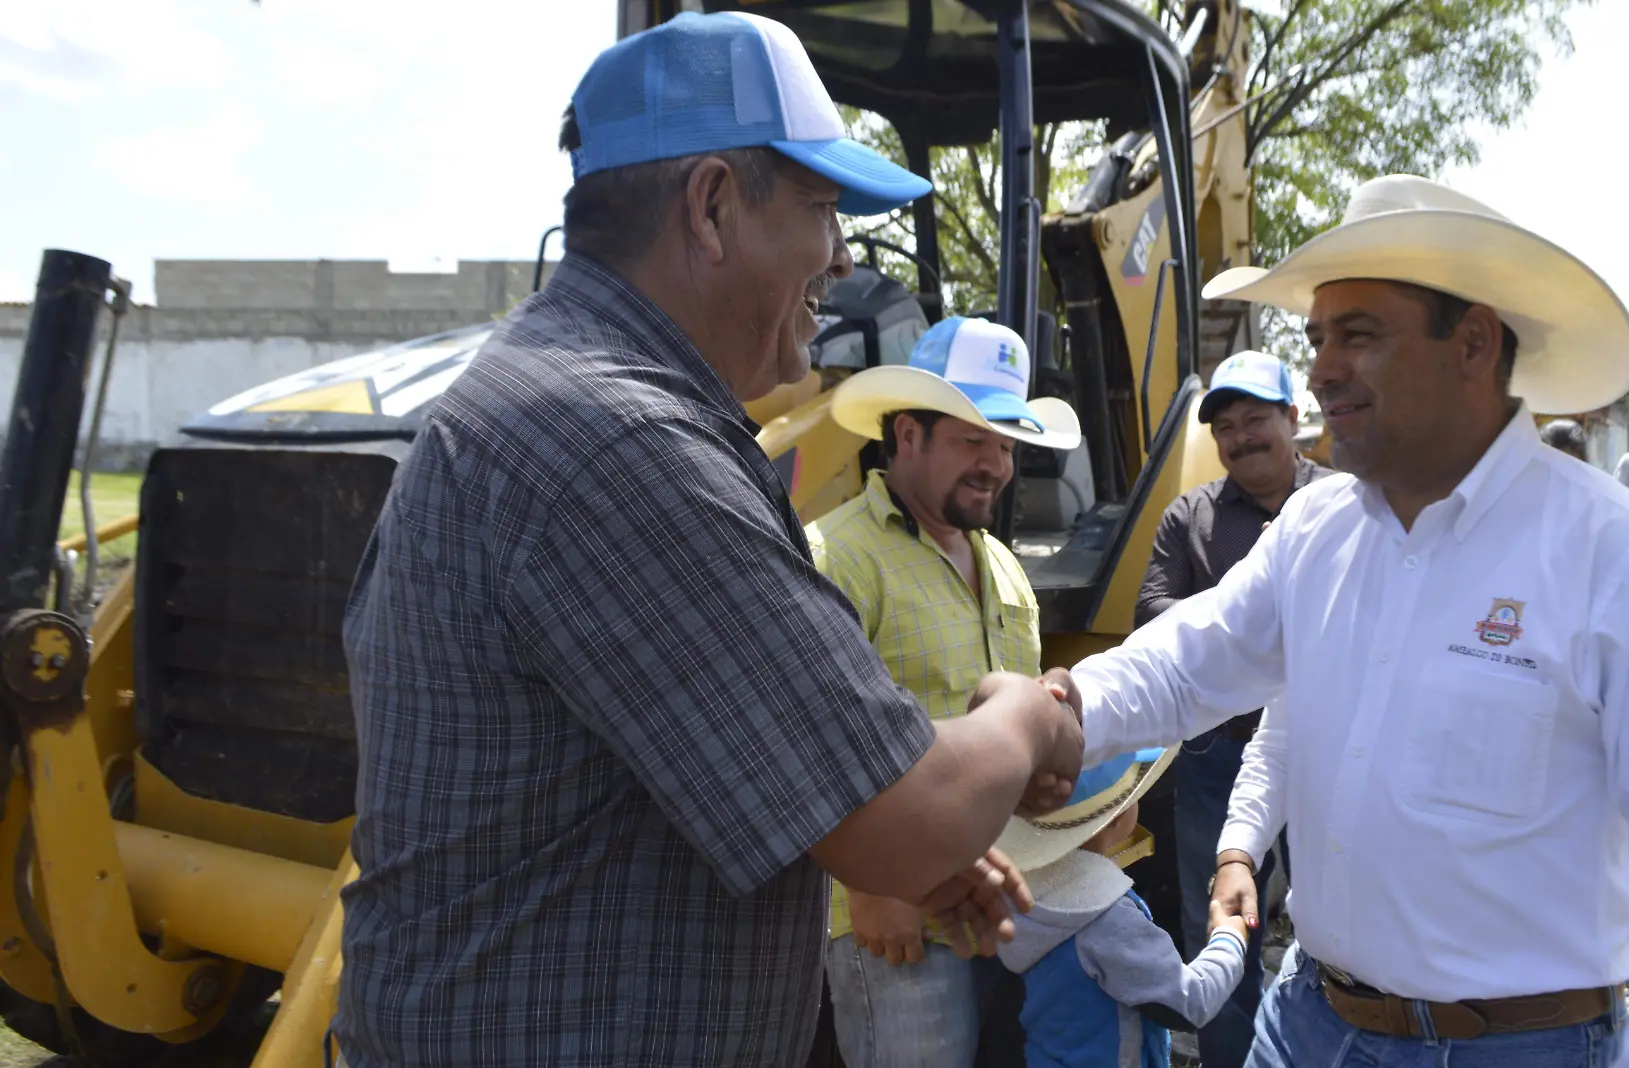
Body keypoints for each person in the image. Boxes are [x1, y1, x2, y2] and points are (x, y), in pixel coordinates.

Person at [335, 15, 1085, 1068]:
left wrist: (879, 839)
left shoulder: (560, 399)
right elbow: (908, 817)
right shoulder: (619, 443)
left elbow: (680, 758)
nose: (836, 258)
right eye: (822, 210)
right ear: (714, 205)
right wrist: (1022, 716)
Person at [1044, 174, 1629, 1067]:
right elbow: (1188, 662)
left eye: (1359, 335)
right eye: (1317, 338)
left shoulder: (1628, 565)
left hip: (1515, 1048)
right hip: (1306, 1019)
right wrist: (1057, 716)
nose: (1320, 369)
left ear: (1472, 341)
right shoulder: (1316, 531)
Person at [808, 315, 1084, 1067]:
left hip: (998, 901)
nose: (995, 462)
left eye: (1004, 443)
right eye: (971, 439)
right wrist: (871, 888)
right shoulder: (838, 557)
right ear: (906, 435)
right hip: (894, 918)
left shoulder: (1002, 565)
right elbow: (808, 745)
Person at [1134, 348, 1333, 1068]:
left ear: (1292, 417)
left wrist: (1245, 638)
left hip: (1323, 749)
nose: (1242, 436)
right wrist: (1249, 627)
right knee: (1220, 924)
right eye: (1226, 427)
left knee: (1334, 917)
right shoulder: (1190, 516)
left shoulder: (1344, 505)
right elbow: (1152, 611)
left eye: (1256, 418)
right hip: (1219, 753)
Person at [997, 748, 1249, 1068]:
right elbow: (1188, 1004)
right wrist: (1230, 939)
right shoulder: (1108, 920)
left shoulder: (1012, 894)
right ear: (1117, 819)